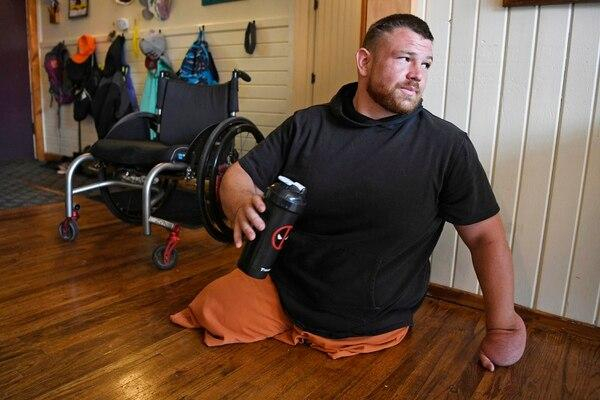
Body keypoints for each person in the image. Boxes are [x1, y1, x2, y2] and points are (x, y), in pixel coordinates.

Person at [171, 14, 526, 370]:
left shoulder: (448, 146)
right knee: (203, 311)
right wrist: (240, 205)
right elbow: (237, 177)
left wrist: (503, 327)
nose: (417, 75)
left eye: (426, 64)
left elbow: (485, 237)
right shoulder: (306, 125)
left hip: (371, 321)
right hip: (282, 291)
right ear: (364, 62)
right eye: (405, 58)